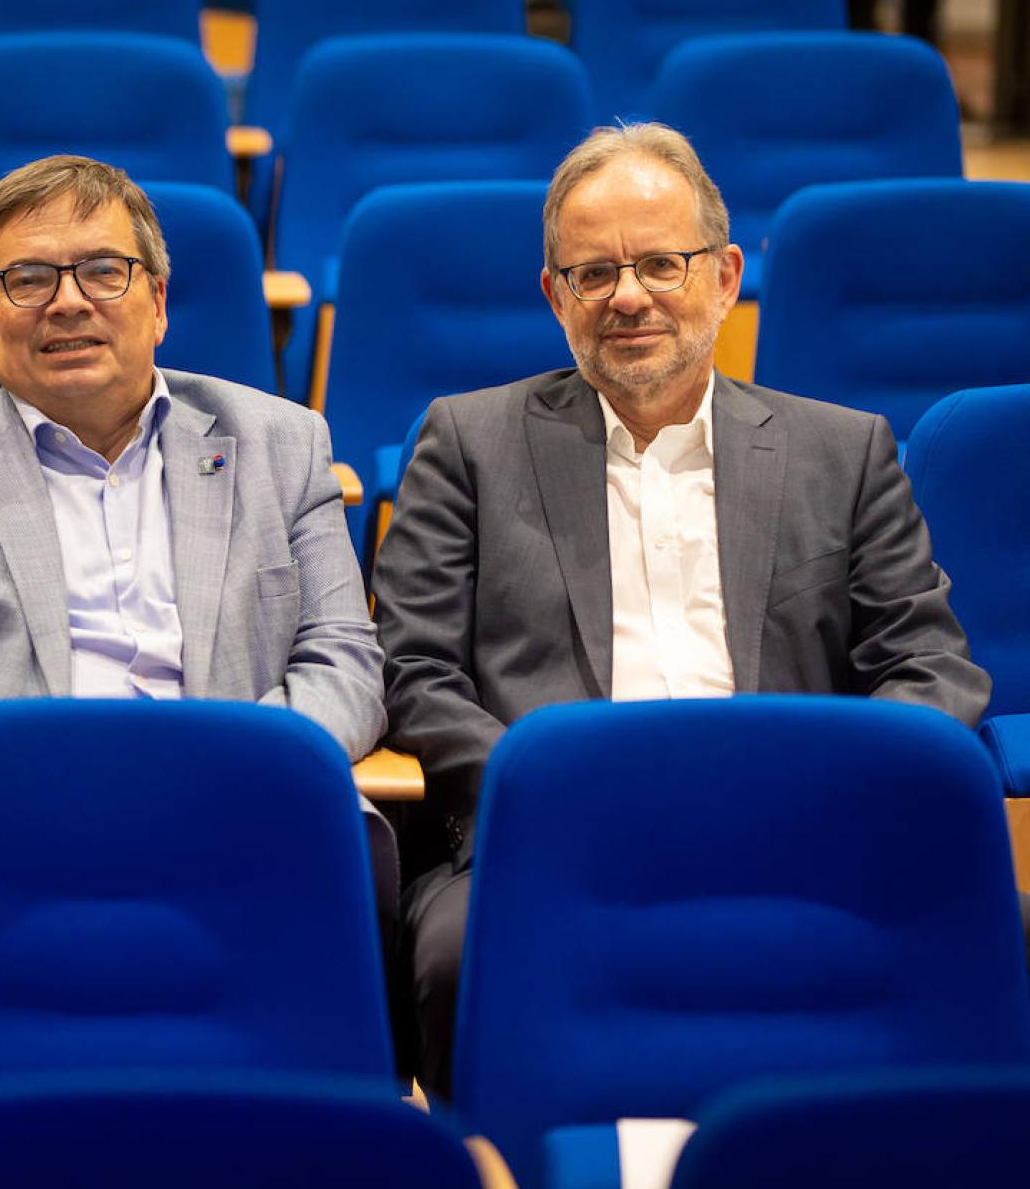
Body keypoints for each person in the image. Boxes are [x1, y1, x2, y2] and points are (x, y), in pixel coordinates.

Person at [372, 122, 993, 1099]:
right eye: (593, 273)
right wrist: (550, 801)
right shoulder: (467, 443)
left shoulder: (845, 453)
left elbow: (932, 664)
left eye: (661, 262)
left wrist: (838, 799)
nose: (628, 296)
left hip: (801, 837)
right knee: (452, 955)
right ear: (554, 295)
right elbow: (415, 669)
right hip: (551, 845)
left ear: (725, 274)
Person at [0, 154, 385, 767]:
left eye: (104, 271)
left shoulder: (285, 445)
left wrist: (227, 779)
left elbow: (342, 661)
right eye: (27, 279)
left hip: (239, 813)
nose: (68, 302)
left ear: (158, 303)